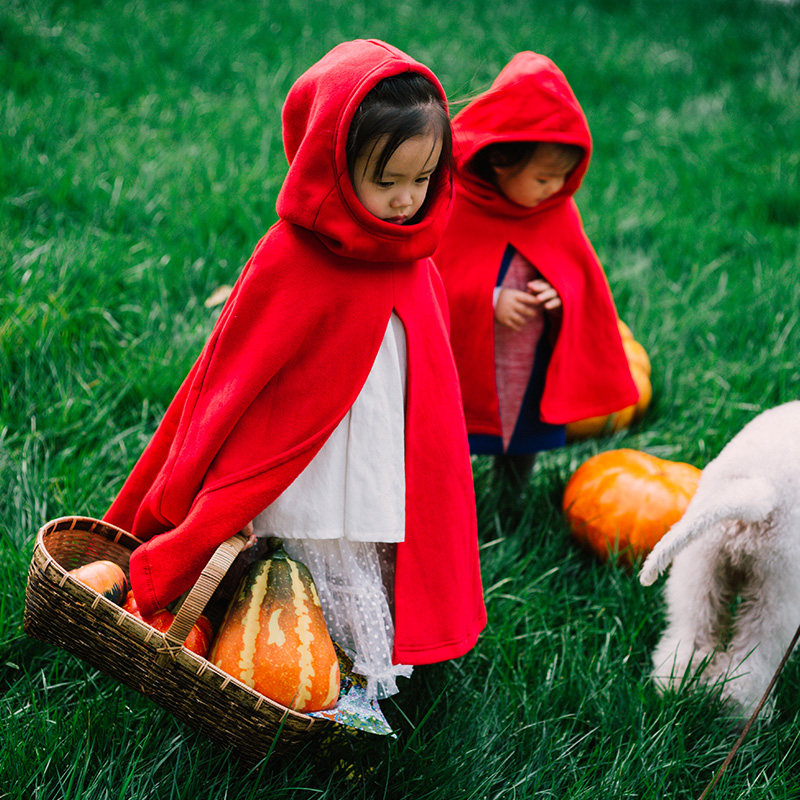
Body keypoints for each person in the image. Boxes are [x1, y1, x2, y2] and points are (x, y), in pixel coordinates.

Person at [105, 40, 486, 700]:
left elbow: (431, 387)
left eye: (422, 181)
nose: (406, 202)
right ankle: (276, 658)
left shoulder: (417, 262)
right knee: (304, 546)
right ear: (332, 165)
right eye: (386, 181)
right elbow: (230, 378)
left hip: (378, 448)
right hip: (300, 458)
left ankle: (364, 666)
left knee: (370, 531)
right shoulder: (292, 258)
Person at [433, 52, 639, 490]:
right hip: (471, 356)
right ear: (502, 159)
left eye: (563, 177)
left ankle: (513, 493)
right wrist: (488, 299)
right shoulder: (458, 202)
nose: (556, 188)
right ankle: (456, 494)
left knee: (522, 432)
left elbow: (579, 276)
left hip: (528, 359)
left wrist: (558, 295)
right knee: (456, 430)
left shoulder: (555, 209)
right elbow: (435, 278)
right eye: (544, 178)